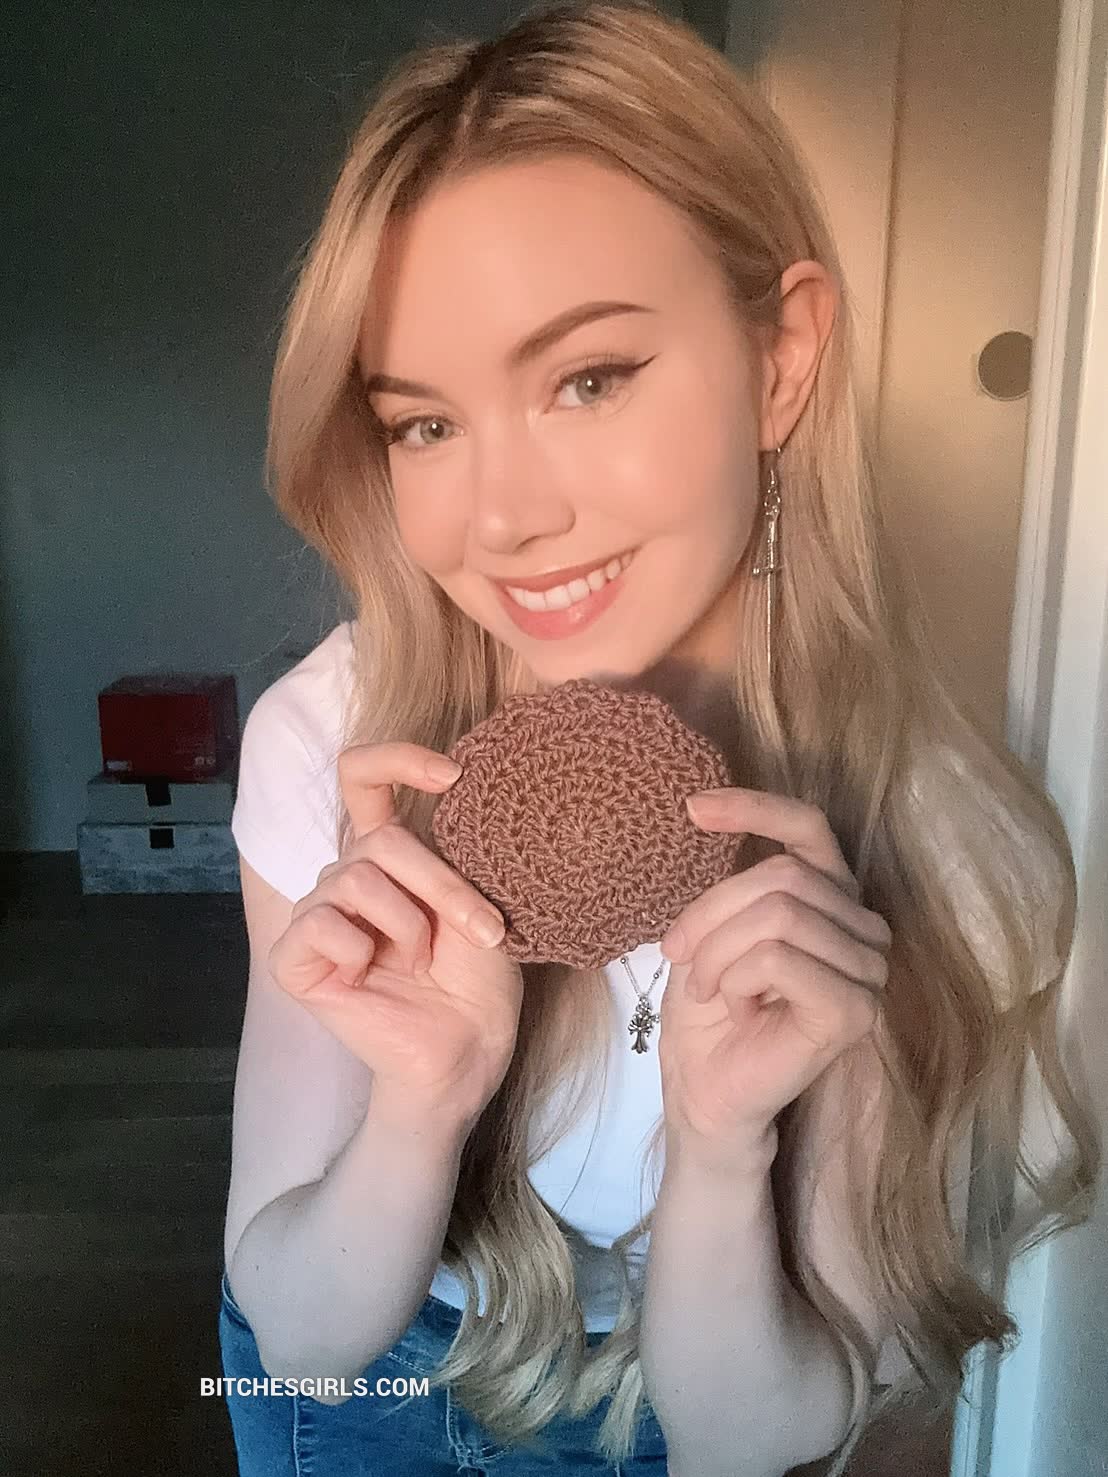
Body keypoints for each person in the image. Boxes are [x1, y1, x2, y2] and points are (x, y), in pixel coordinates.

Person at [216, 3, 1098, 1475]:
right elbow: (297, 1332)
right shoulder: (341, 746)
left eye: (589, 379)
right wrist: (421, 1107)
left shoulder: (934, 844)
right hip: (365, 1388)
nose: (505, 516)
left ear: (781, 358)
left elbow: (753, 1433)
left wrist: (723, 1145)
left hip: (661, 1401)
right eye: (425, 424)